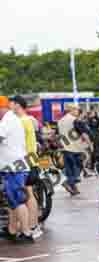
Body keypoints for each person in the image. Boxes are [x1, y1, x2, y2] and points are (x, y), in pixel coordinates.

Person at [0, 96, 34, 243]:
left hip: (14, 167)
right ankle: (12, 230)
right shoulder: (10, 119)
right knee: (12, 200)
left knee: (18, 200)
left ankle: (26, 233)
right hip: (12, 166)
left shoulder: (7, 121)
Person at [10, 95, 42, 239]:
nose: (10, 106)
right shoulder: (29, 120)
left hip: (25, 161)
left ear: (17, 105)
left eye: (12, 103)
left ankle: (30, 225)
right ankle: (33, 224)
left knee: (27, 195)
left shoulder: (22, 121)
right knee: (30, 193)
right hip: (31, 159)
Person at [58, 103, 85, 195]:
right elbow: (83, 133)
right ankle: (69, 182)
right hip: (76, 148)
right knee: (78, 167)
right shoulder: (75, 120)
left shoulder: (60, 121)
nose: (78, 112)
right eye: (77, 110)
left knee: (69, 169)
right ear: (72, 110)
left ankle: (73, 188)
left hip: (65, 148)